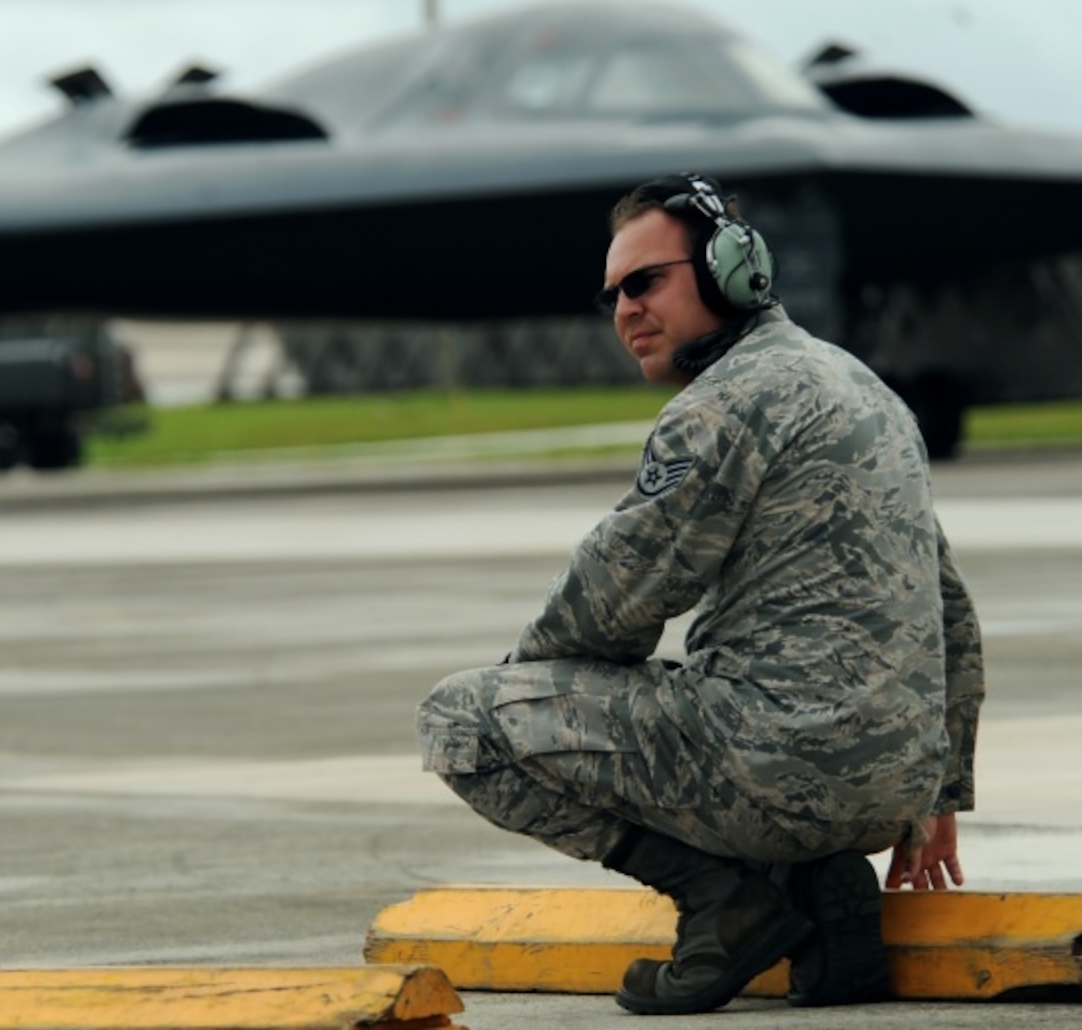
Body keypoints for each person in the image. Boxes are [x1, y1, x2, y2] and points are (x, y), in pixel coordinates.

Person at [416, 173, 985, 1016]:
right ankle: (818, 894)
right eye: (612, 295)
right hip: (890, 791)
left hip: (781, 769)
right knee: (713, 687)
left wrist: (523, 689)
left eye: (646, 282)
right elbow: (951, 613)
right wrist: (939, 793)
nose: (625, 311)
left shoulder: (722, 404)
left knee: (459, 722)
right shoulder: (867, 391)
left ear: (731, 273)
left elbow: (616, 594)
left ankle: (728, 905)